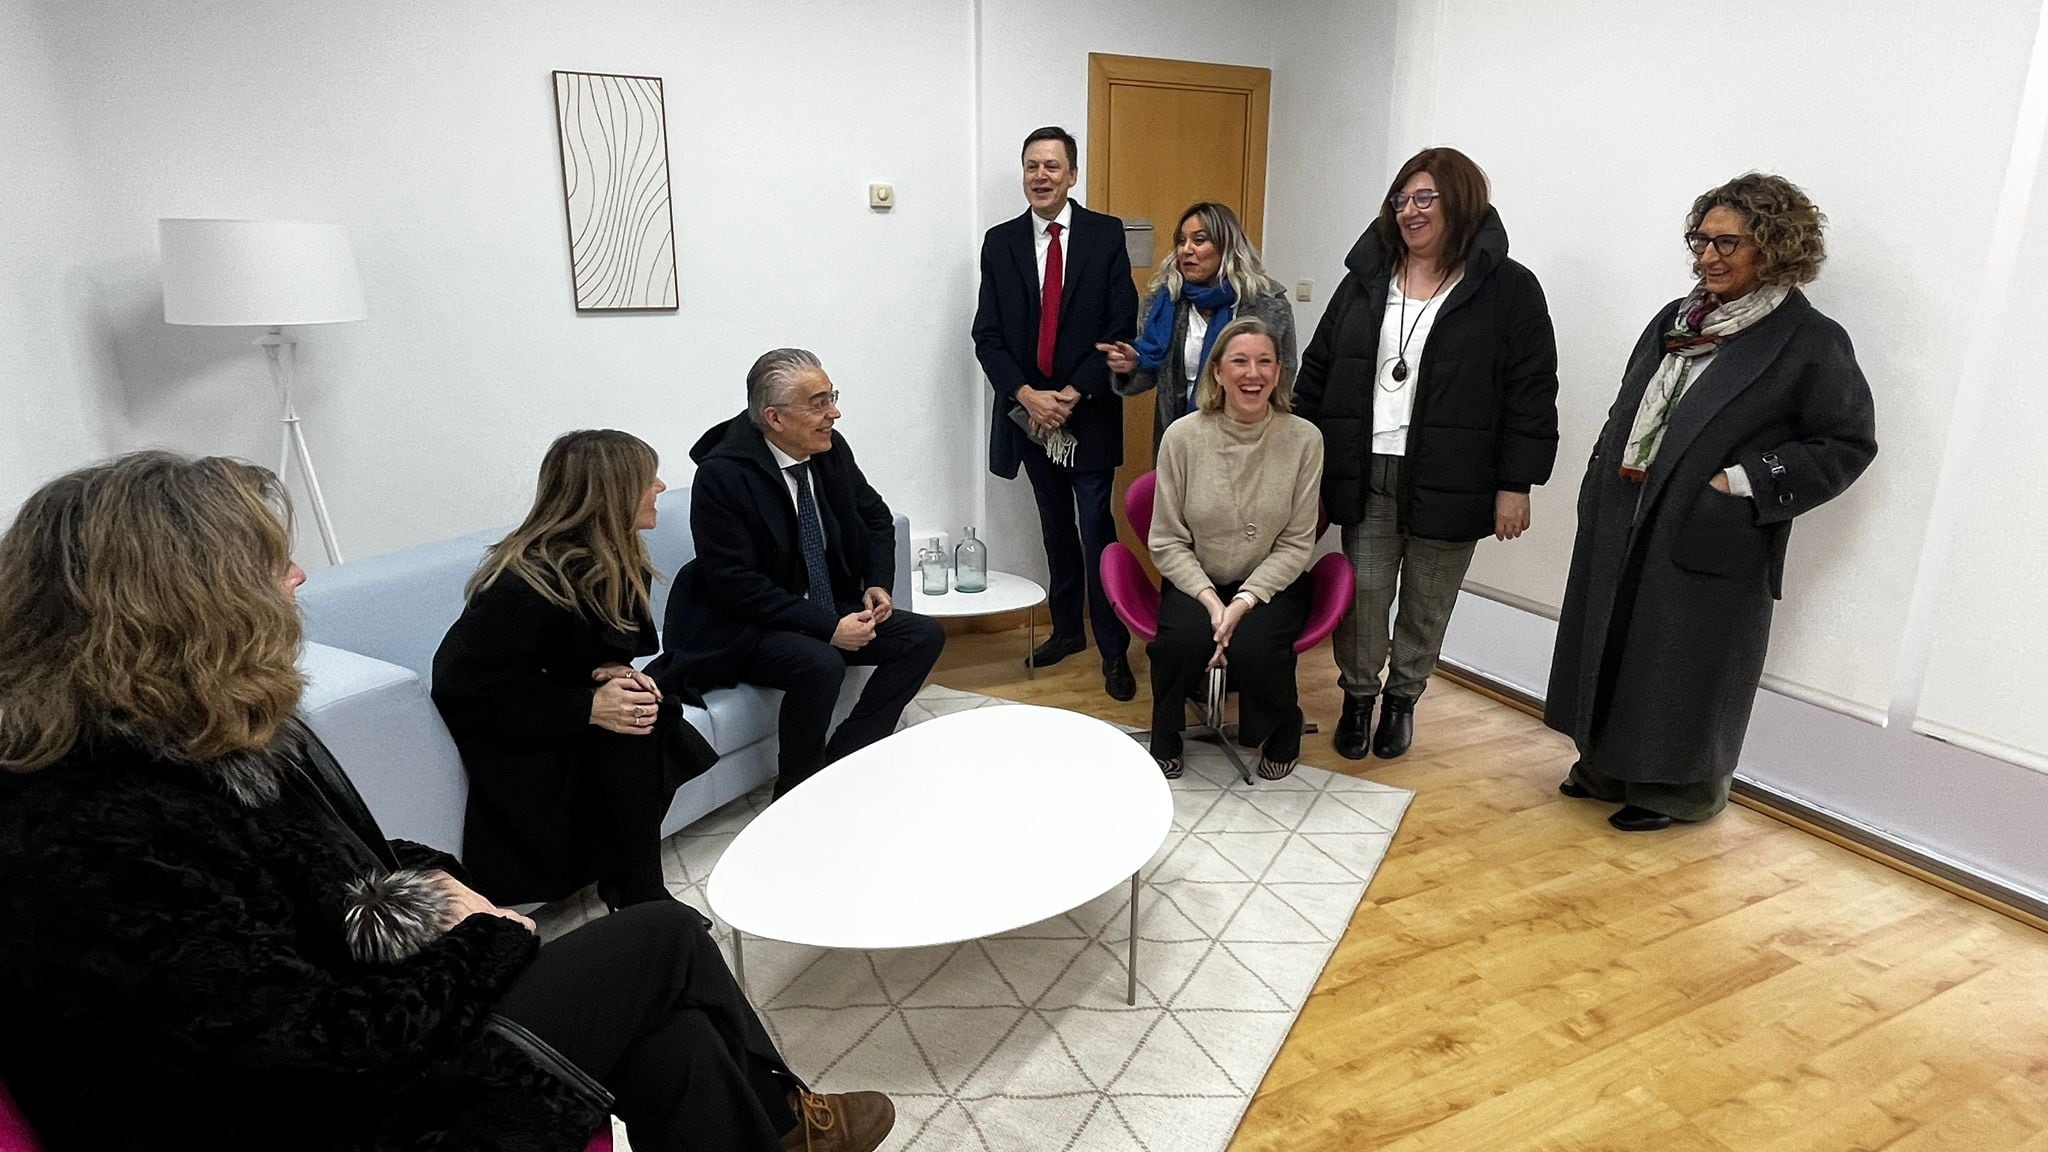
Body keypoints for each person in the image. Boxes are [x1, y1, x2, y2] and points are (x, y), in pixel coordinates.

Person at [0, 451, 895, 1152]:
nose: (302, 580)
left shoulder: (208, 732)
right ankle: (790, 1119)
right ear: (183, 603)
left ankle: (784, 1126)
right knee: (662, 936)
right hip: (323, 1117)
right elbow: (303, 1050)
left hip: (352, 1024)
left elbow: (341, 867)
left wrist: (435, 888)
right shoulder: (88, 825)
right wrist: (488, 938)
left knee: (674, 1043)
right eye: (274, 564)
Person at [1547, 173, 1877, 832]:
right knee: (1616, 641)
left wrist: (1742, 482)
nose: (1707, 257)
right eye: (1701, 240)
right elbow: (1633, 404)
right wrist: (1600, 470)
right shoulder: (1674, 319)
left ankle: (1679, 793)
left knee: (1683, 662)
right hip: (1627, 506)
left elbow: (1846, 443)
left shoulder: (1810, 341)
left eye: (1728, 243)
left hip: (1713, 527)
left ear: (1776, 247)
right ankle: (1606, 763)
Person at [1294, 146, 1559, 762]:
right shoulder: (1363, 280)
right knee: (1364, 596)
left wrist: (1516, 484)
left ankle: (1403, 700)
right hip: (1365, 468)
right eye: (1401, 199)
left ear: (1460, 202)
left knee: (1427, 601)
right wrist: (1302, 464)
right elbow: (1318, 370)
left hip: (1455, 474)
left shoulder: (1510, 290)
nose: (1409, 211)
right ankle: (1359, 697)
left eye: (1424, 198)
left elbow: (1531, 393)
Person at [434, 429, 714, 911]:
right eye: (649, 479)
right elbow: (462, 686)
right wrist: (587, 705)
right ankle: (641, 891)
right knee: (635, 735)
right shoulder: (527, 579)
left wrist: (612, 674)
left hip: (551, 706)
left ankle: (633, 884)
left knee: (649, 714)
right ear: (613, 493)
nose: (662, 487)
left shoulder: (616, 558)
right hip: (510, 730)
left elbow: (591, 649)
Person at [649, 348, 945, 799]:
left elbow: (876, 519)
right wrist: (830, 629)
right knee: (820, 662)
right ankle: (796, 792)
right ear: (775, 418)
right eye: (819, 402)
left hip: (821, 605)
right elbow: (735, 584)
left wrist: (876, 583)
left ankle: (848, 757)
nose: (834, 413)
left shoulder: (829, 450)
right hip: (744, 624)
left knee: (922, 636)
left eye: (832, 397)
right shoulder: (722, 476)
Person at [972, 125, 1140, 700]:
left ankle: (1114, 650)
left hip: (1085, 411)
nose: (1040, 177)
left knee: (1096, 530)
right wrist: (1027, 396)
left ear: (1072, 175)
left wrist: (1071, 394)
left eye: (1051, 166)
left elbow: (1120, 326)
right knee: (1055, 528)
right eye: (1030, 167)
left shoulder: (1104, 235)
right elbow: (987, 336)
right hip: (1030, 417)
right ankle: (1068, 630)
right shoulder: (1000, 242)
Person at [1147, 317, 1324, 780]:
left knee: (1256, 648)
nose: (1253, 373)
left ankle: (1285, 725)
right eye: (1240, 361)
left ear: (1279, 371)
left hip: (1270, 581)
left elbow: (1297, 541)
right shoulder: (1182, 437)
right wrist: (1211, 602)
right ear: (1217, 373)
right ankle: (1165, 733)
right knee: (1179, 642)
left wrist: (1243, 603)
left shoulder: (1305, 439)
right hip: (1197, 577)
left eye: (1265, 361)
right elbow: (1166, 539)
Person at [1104, 201, 1300, 457]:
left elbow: (1283, 377)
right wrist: (1133, 365)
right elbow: (1150, 375)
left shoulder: (1266, 304)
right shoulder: (1164, 301)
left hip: (1248, 440)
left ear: (1226, 246)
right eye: (1181, 241)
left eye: (1199, 240)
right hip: (1180, 439)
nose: (1186, 250)